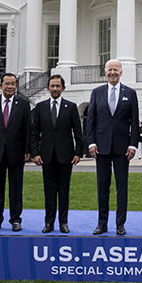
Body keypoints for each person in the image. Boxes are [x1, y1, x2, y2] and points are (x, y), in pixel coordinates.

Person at [86, 59, 140, 235]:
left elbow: (134, 122)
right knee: (103, 186)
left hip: (122, 148)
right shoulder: (97, 92)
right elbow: (91, 121)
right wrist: (91, 142)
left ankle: (120, 224)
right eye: (109, 69)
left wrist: (133, 145)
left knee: (121, 187)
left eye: (115, 69)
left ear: (121, 72)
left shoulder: (130, 93)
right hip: (101, 147)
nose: (112, 72)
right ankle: (102, 223)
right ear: (105, 72)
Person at [31, 74, 84, 234]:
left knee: (64, 190)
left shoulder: (71, 106)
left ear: (63, 88)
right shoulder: (40, 107)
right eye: (52, 86)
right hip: (46, 156)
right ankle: (49, 223)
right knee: (49, 191)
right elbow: (34, 133)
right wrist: (35, 153)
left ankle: (63, 222)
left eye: (58, 86)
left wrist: (78, 153)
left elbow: (78, 132)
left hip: (66, 155)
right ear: (48, 88)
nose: (55, 89)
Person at [0, 73, 31, 232]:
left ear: (16, 86)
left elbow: (27, 129)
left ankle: (15, 220)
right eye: (7, 83)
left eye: (13, 84)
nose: (10, 86)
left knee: (16, 189)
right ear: (1, 85)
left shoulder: (23, 104)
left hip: (16, 151)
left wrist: (27, 149)